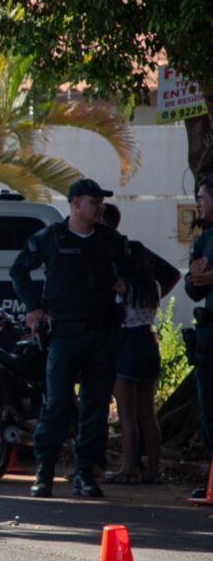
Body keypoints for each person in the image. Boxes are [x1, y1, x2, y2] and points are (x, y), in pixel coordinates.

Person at [9, 178, 130, 498]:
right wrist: (33, 308)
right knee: (57, 403)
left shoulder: (110, 240)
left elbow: (134, 270)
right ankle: (44, 472)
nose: (99, 207)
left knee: (95, 406)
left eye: (101, 202)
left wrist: (125, 284)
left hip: (102, 332)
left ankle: (86, 474)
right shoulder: (50, 238)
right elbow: (18, 270)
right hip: (64, 332)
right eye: (94, 202)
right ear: (76, 203)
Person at [100, 204, 181, 485]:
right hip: (149, 339)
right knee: (148, 414)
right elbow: (172, 275)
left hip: (126, 342)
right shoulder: (148, 281)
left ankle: (127, 470)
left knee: (126, 414)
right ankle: (153, 470)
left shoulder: (120, 279)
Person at [184, 175, 213, 499]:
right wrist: (196, 277)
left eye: (203, 197)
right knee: (208, 410)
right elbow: (192, 289)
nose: (198, 204)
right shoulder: (203, 240)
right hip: (207, 336)